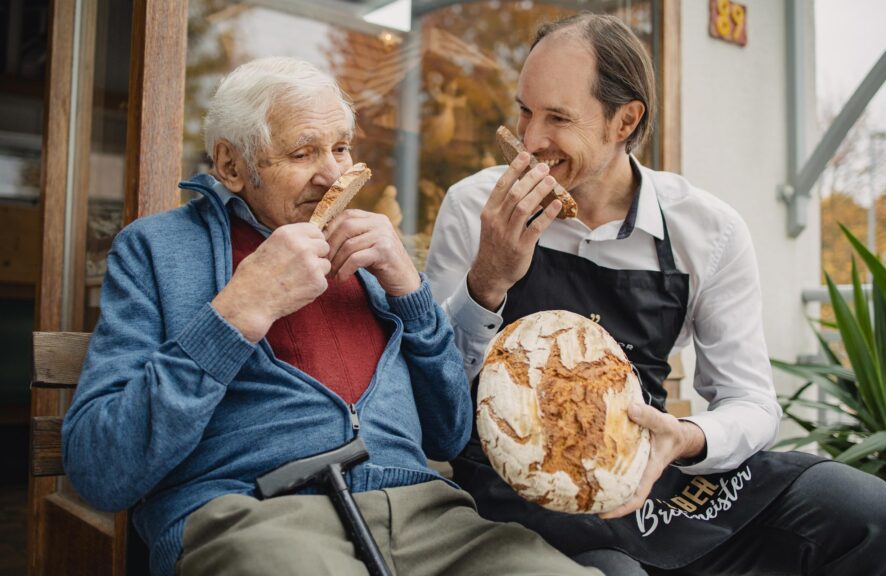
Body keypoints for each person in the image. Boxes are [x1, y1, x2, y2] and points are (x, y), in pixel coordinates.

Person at [61, 57, 602, 576]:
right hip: (257, 515)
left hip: (425, 517)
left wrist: (411, 296)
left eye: (341, 148)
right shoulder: (157, 250)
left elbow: (449, 434)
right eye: (303, 153)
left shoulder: (367, 261)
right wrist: (237, 312)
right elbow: (101, 470)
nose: (333, 175)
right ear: (231, 165)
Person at [426, 13, 886, 576]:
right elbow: (435, 396)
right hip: (519, 485)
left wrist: (687, 438)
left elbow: (751, 401)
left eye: (557, 118)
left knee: (874, 514)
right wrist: (488, 281)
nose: (530, 140)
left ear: (625, 120)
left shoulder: (708, 230)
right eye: (524, 110)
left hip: (652, 469)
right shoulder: (475, 206)